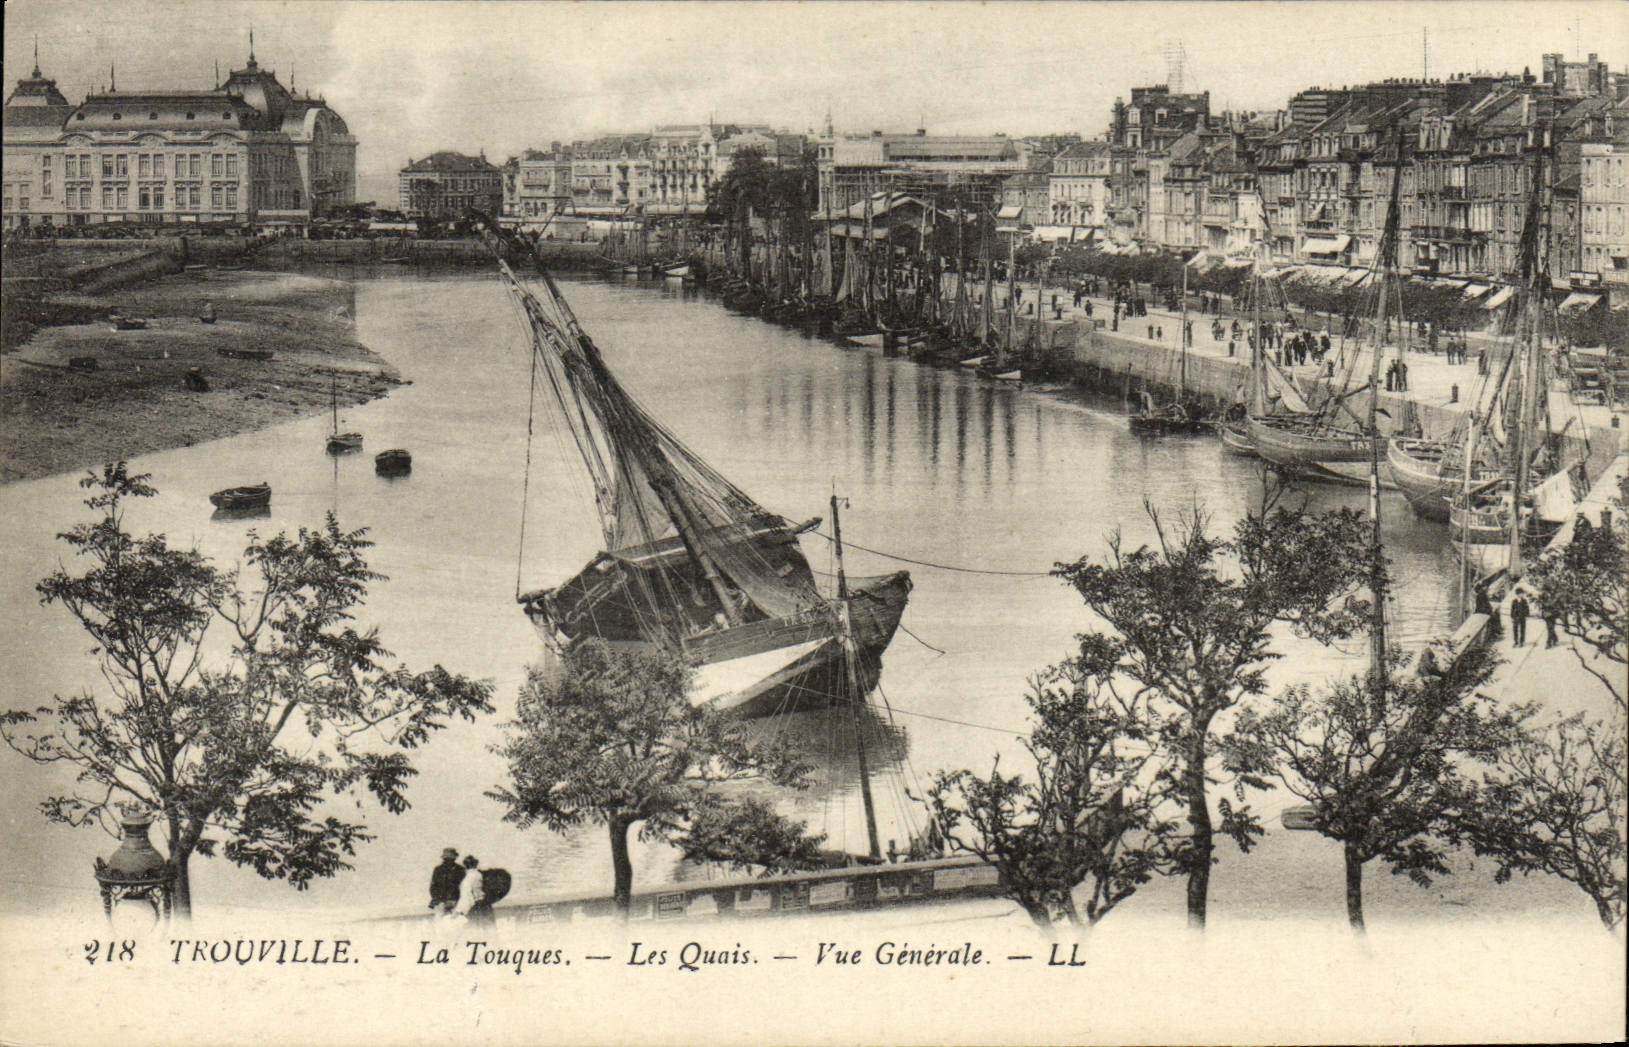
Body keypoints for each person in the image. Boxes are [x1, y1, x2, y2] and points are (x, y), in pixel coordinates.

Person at [429, 848, 462, 913]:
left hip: (448, 900)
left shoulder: (438, 869)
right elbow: (433, 886)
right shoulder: (460, 869)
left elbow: (433, 886)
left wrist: (436, 898)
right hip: (450, 900)